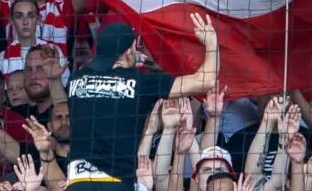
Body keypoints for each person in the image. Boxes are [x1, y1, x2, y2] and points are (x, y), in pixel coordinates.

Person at [65, 14, 217, 188]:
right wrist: (212, 44)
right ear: (128, 51)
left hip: (77, 183)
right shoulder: (140, 83)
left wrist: (128, 64)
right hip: (115, 184)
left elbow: (106, 79)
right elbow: (206, 81)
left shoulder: (75, 80)